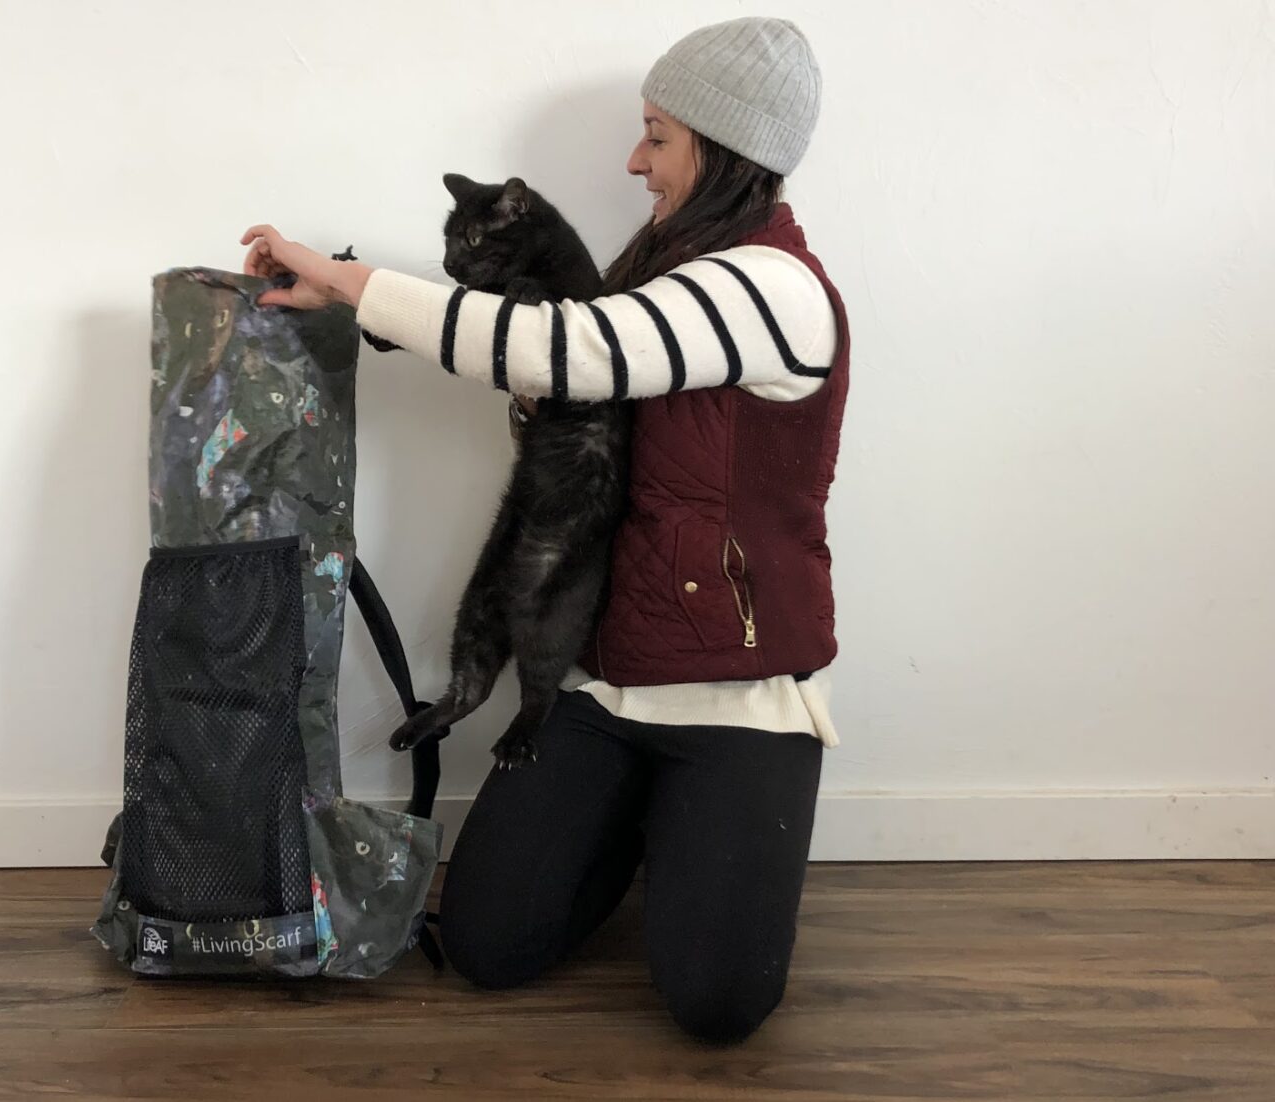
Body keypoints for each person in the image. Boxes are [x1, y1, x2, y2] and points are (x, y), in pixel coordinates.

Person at [242, 16, 848, 1044]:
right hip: (606, 679)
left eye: (656, 135)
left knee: (716, 1004)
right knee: (485, 944)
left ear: (723, 142)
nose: (634, 161)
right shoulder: (659, 269)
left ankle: (696, 823)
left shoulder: (770, 287)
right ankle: (642, 819)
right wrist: (356, 315)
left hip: (737, 696)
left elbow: (563, 350)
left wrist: (350, 282)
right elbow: (560, 363)